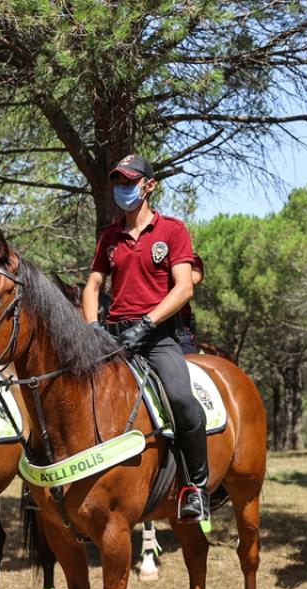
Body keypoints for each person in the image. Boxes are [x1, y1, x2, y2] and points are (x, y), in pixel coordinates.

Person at [82, 154, 209, 522]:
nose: (123, 189)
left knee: (183, 400)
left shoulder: (172, 230)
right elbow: (93, 285)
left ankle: (195, 488)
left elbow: (184, 288)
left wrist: (148, 323)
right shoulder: (109, 236)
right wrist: (92, 328)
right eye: (118, 183)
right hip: (113, 339)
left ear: (149, 185)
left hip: (158, 339)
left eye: (130, 181)